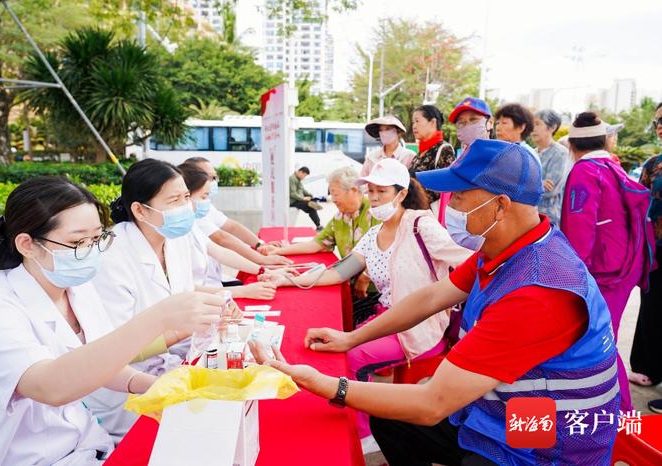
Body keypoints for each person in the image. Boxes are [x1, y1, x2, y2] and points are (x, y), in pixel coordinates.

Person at [252, 139, 620, 465]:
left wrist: (329, 385)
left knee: (412, 407)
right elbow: (429, 297)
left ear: (501, 206)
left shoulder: (537, 293)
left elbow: (432, 405)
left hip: (544, 444)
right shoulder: (507, 249)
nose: (450, 205)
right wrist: (351, 339)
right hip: (501, 411)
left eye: (459, 196)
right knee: (390, 412)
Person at [0, 177, 222, 464]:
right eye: (77, 242)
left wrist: (154, 386)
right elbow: (50, 386)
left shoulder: (75, 289)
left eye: (97, 238)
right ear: (27, 244)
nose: (90, 251)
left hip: (84, 447)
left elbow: (99, 361)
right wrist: (159, 318)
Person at [260, 158, 471, 452]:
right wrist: (287, 280)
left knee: (354, 357)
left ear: (401, 193)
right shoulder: (373, 236)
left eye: (381, 192)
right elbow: (338, 271)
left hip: (420, 325)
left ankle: (364, 436)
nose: (373, 198)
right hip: (385, 318)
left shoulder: (421, 225)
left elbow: (464, 260)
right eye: (370, 191)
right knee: (335, 348)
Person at [89, 159, 238, 438]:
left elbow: (184, 295)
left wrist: (218, 305)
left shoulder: (174, 240)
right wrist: (185, 326)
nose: (187, 207)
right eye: (174, 201)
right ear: (140, 210)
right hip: (124, 391)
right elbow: (116, 349)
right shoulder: (112, 257)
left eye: (185, 197)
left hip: (169, 368)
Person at [560, 111, 652, 412]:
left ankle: (620, 412)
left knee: (598, 344)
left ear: (573, 146)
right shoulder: (611, 166)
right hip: (623, 268)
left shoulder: (585, 171)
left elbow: (579, 230)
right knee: (602, 339)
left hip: (602, 273)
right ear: (606, 141)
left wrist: (572, 278)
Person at [260, 166, 381, 299]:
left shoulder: (377, 213)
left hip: (377, 292)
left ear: (353, 190)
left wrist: (365, 277)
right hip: (351, 284)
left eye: (335, 194)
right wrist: (277, 251)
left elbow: (381, 255)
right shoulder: (340, 217)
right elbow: (317, 244)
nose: (332, 199)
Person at [178, 162, 278, 300]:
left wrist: (263, 268)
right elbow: (222, 238)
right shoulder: (176, 231)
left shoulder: (190, 225)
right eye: (203, 197)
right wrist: (243, 290)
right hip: (205, 296)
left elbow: (222, 252)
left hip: (213, 290)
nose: (186, 203)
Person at [183, 157, 291, 267]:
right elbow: (222, 239)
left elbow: (232, 226)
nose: (212, 182)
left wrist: (259, 245)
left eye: (214, 177)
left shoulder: (203, 205)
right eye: (209, 177)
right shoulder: (193, 212)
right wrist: (261, 260)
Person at [630, 102, 662, 403]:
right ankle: (650, 368)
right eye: (657, 123)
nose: (660, 127)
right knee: (652, 310)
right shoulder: (653, 164)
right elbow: (638, 204)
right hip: (655, 252)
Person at [407, 104, 455, 205]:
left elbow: (442, 186)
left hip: (430, 216)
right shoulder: (419, 154)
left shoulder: (444, 149)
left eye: (417, 121)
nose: (414, 126)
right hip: (413, 212)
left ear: (433, 122)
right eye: (413, 122)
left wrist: (412, 202)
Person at [531, 109, 569, 225]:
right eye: (532, 124)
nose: (533, 128)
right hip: (528, 218)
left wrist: (525, 184)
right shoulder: (531, 152)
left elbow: (549, 191)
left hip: (548, 220)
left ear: (552, 127)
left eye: (537, 124)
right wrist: (539, 183)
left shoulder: (561, 153)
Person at [289, 166, 323, 231]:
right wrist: (303, 198)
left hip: (299, 200)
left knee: (312, 203)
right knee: (311, 207)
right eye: (304, 175)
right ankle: (318, 226)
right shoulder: (292, 179)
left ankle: (318, 225)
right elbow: (292, 193)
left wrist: (310, 195)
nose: (304, 177)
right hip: (294, 201)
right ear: (300, 172)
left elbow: (303, 190)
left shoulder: (298, 179)